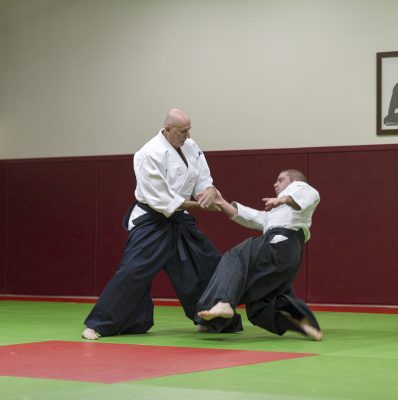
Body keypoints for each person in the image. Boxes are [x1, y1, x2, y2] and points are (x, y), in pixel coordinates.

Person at [82, 108, 242, 339]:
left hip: (180, 220)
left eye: (189, 130)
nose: (187, 135)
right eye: (183, 131)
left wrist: (207, 191)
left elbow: (203, 177)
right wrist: (200, 206)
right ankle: (99, 324)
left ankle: (211, 320)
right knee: (134, 271)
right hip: (153, 220)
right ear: (168, 129)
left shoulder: (191, 146)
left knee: (202, 266)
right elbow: (162, 200)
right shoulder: (148, 153)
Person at [196, 169, 323, 340]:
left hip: (280, 242)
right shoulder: (279, 213)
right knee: (261, 304)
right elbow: (253, 217)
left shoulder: (303, 188)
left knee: (236, 256)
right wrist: (221, 202)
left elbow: (301, 194)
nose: (275, 184)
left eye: (280, 180)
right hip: (288, 253)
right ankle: (303, 323)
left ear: (294, 182)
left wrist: (282, 199)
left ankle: (224, 303)